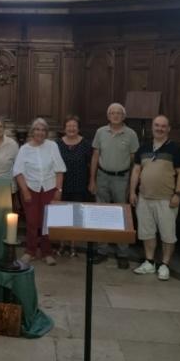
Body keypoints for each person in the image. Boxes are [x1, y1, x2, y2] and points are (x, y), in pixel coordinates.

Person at [129, 115, 180, 281]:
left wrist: (178, 193)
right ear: (152, 127)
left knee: (168, 234)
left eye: (163, 126)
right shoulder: (144, 147)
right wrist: (132, 192)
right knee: (147, 232)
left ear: (168, 129)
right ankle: (149, 262)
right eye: (156, 125)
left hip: (166, 199)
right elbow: (136, 171)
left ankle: (165, 264)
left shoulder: (175, 149)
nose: (159, 128)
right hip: (144, 198)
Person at [89, 102, 140, 268]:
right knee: (100, 214)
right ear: (108, 116)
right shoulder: (100, 132)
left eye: (119, 113)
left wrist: (131, 185)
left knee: (122, 217)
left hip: (122, 179)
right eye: (112, 113)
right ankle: (102, 250)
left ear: (123, 116)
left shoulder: (131, 134)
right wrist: (92, 179)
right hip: (102, 176)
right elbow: (95, 156)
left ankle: (122, 253)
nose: (115, 115)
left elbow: (134, 161)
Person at [13, 117, 66, 266]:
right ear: (32, 131)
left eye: (43, 130)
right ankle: (30, 251)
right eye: (37, 129)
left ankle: (46, 252)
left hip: (49, 188)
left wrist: (58, 189)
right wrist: (25, 191)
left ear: (46, 133)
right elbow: (18, 172)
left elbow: (60, 169)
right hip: (30, 188)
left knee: (47, 221)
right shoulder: (24, 149)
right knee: (31, 222)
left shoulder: (52, 146)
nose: (40, 132)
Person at [56, 115, 92, 257]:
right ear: (64, 128)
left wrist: (91, 181)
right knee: (62, 216)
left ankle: (73, 246)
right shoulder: (57, 144)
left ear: (78, 128)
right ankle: (61, 244)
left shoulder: (85, 144)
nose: (71, 128)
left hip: (79, 185)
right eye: (69, 126)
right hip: (61, 185)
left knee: (76, 217)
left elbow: (90, 165)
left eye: (74, 126)